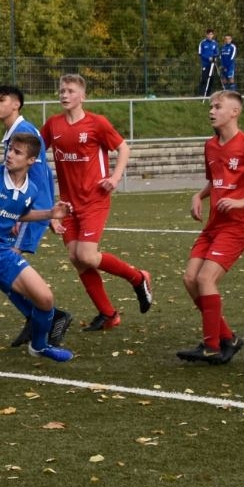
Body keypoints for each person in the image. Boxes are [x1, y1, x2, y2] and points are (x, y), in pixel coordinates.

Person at [0, 132, 76, 383]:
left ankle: (39, 346)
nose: (10, 154)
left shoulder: (30, 188)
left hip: (1, 252)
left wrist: (51, 213)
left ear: (31, 160)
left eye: (17, 152)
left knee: (45, 299)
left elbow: (20, 214)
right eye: (10, 149)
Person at [177, 91, 244, 364]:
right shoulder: (210, 146)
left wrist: (243, 201)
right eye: (211, 106)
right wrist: (197, 196)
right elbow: (215, 180)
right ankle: (229, 338)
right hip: (214, 224)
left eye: (218, 106)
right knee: (190, 279)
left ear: (234, 112)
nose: (211, 111)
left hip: (238, 226)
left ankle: (212, 346)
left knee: (205, 279)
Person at [42, 73, 154, 331]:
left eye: (70, 91)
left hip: (94, 200)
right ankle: (108, 314)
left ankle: (138, 278)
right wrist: (50, 209)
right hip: (68, 205)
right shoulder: (53, 125)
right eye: (61, 90)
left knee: (87, 255)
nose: (64, 95)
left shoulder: (97, 123)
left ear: (82, 96)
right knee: (76, 257)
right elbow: (36, 159)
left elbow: (124, 148)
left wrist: (114, 177)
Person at [0, 85, 73, 349]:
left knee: (2, 264)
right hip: (20, 212)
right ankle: (35, 314)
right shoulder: (14, 133)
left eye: (1, 99)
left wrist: (46, 214)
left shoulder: (25, 133)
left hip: (27, 213)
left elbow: (40, 177)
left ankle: (50, 315)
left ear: (16, 104)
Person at [198, 29, 219, 97]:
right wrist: (208, 58)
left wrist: (214, 57)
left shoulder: (215, 43)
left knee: (211, 80)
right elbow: (200, 53)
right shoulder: (202, 43)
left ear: (213, 35)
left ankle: (208, 95)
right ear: (206, 35)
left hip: (212, 64)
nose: (210, 36)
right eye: (208, 34)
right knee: (204, 79)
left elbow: (217, 53)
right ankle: (202, 94)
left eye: (211, 34)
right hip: (205, 64)